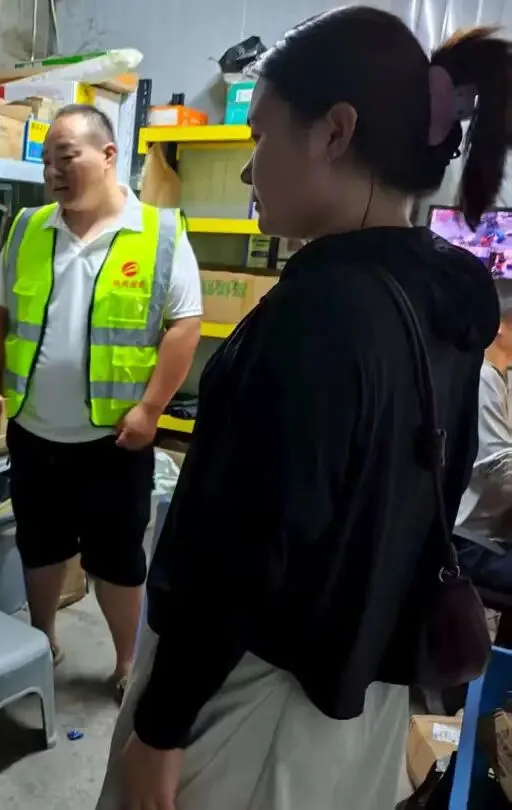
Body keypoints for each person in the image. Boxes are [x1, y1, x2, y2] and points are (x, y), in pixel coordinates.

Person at [97, 8, 507, 810]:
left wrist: (162, 726)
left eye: (261, 136)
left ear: (334, 132)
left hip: (255, 703)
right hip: (366, 698)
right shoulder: (449, 301)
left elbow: (242, 555)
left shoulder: (320, 314)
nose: (248, 171)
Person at [0, 104, 203, 701]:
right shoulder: (27, 228)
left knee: (118, 559)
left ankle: (127, 662)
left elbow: (185, 325)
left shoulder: (158, 232)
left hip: (113, 440)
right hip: (34, 432)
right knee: (39, 544)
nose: (53, 171)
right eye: (46, 162)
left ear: (107, 156)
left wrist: (151, 409)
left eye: (66, 157)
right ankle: (42, 638)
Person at [455, 280, 512, 588]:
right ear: (499, 325)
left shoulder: (501, 377)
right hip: (468, 540)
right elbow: (501, 466)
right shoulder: (481, 376)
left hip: (494, 532)